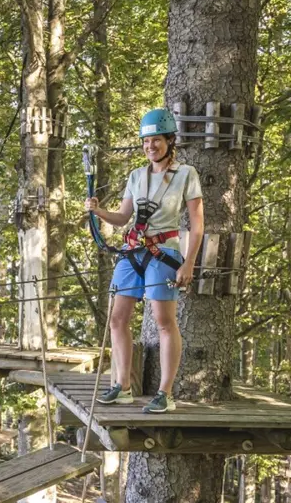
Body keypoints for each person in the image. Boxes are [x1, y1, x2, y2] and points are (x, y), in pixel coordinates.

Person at [85, 108, 204, 414]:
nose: (151, 146)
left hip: (164, 252)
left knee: (164, 321)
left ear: (169, 141)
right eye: (146, 141)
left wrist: (188, 263)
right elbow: (124, 216)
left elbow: (197, 223)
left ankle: (165, 392)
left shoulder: (186, 174)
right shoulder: (136, 176)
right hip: (133, 252)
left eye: (156, 140)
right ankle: (122, 386)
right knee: (117, 318)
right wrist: (98, 212)